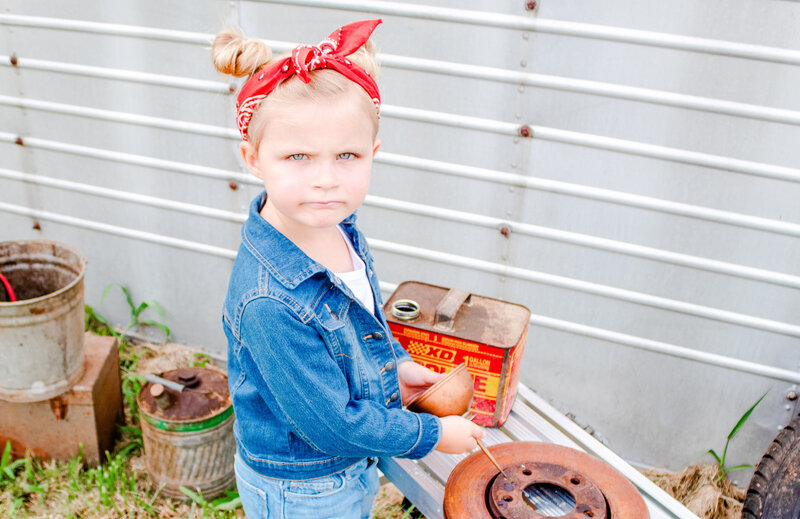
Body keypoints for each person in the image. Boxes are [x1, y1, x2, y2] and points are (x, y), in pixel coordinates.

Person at [214, 19, 485, 519]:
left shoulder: (338, 229)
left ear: (373, 154)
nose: (325, 180)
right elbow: (329, 424)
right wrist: (432, 434)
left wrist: (397, 366)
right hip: (304, 487)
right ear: (253, 158)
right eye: (298, 156)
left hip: (347, 467)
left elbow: (360, 325)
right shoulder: (270, 301)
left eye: (347, 155)